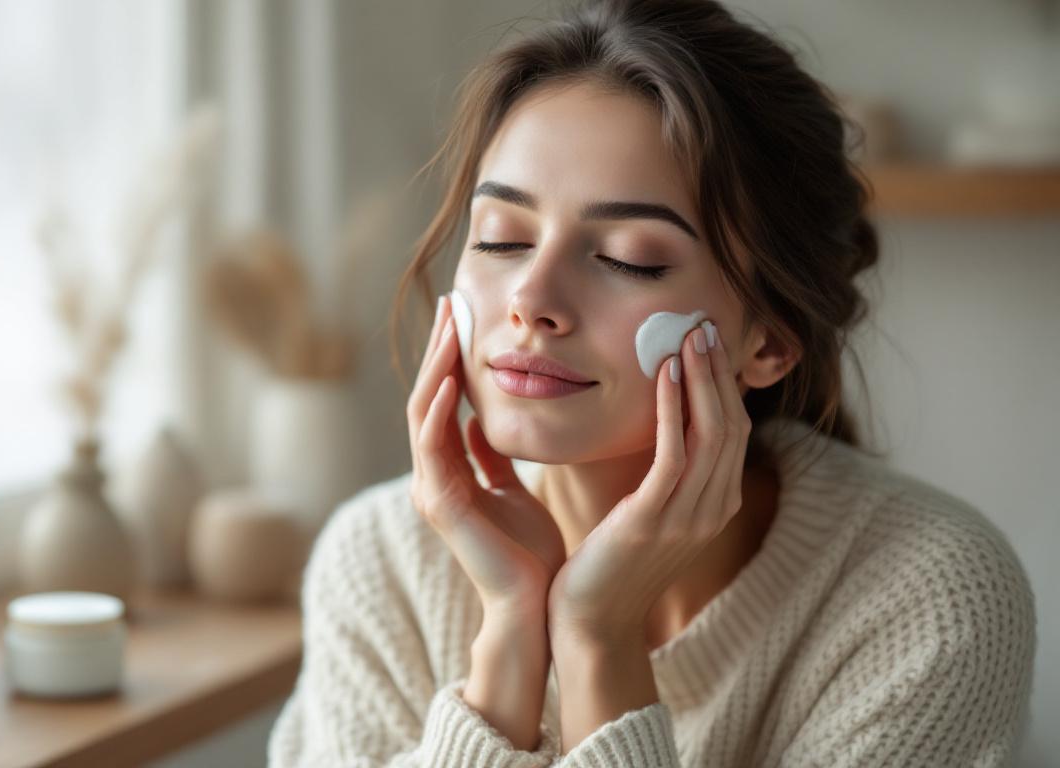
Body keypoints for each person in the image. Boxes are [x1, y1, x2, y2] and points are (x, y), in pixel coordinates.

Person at [267, 0, 1037, 765]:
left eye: (629, 259)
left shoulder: (932, 595)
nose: (531, 302)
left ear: (768, 342)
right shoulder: (379, 566)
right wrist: (509, 642)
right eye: (501, 238)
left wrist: (599, 640)